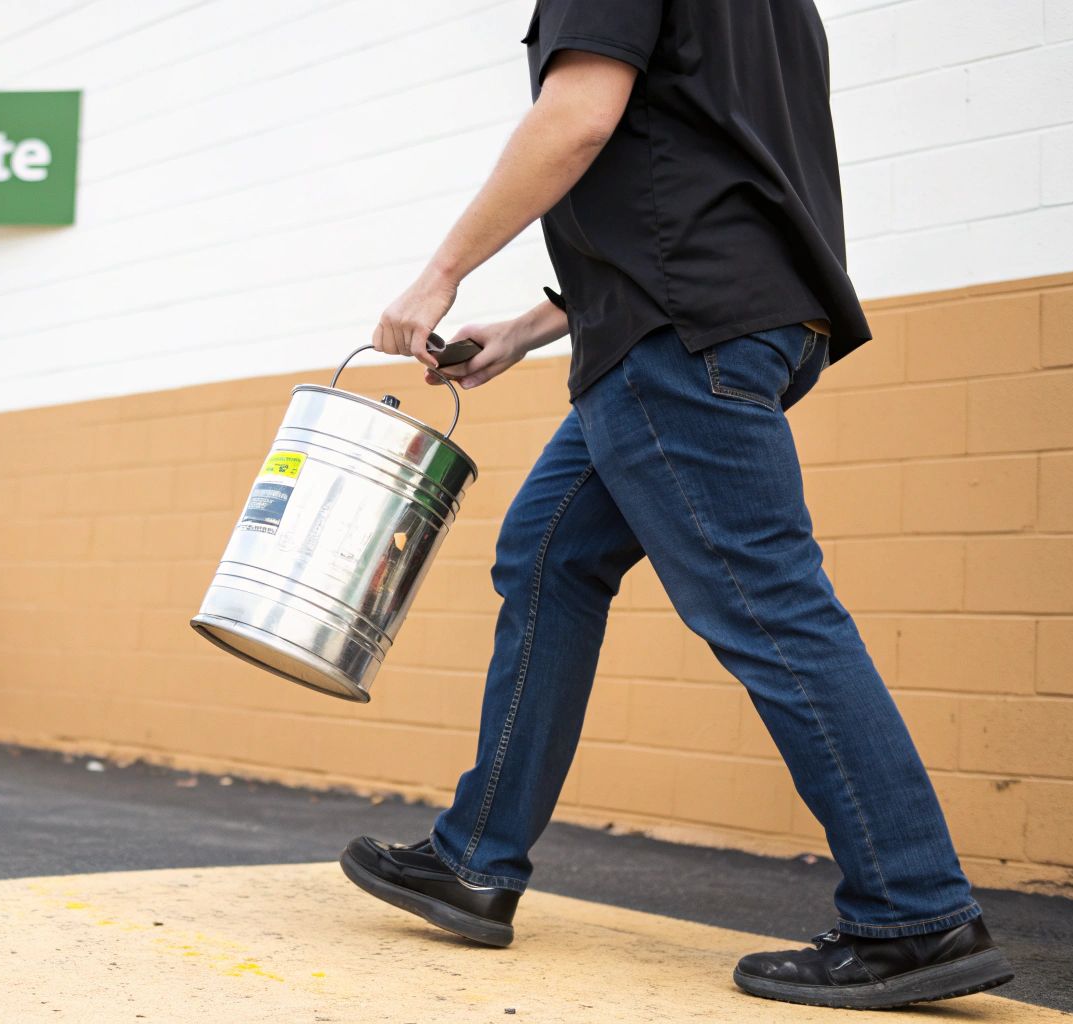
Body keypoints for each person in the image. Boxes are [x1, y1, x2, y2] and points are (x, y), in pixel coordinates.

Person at [337, 0, 1014, 1010]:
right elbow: (701, 161)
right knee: (546, 554)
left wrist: (437, 273)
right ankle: (473, 861)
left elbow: (576, 121)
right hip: (720, 322)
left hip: (677, 339)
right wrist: (529, 324)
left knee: (769, 606)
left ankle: (911, 911)